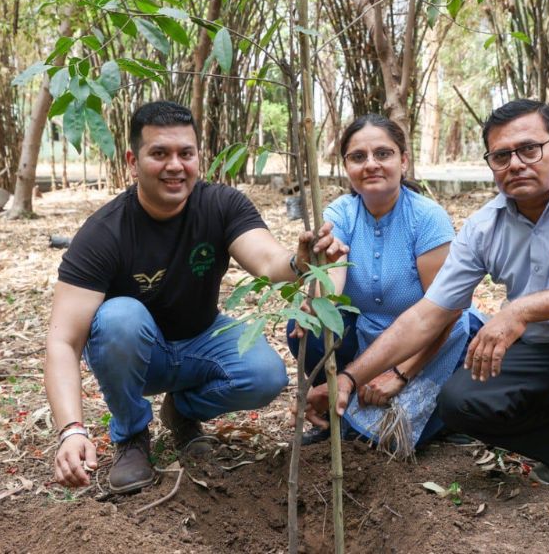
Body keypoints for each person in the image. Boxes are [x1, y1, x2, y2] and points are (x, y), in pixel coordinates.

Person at [317, 99, 549, 537]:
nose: (516, 164)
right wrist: (350, 379)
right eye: (501, 156)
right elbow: (428, 315)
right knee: (459, 401)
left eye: (530, 149)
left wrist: (522, 308)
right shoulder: (485, 225)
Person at [45, 101, 347, 494]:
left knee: (266, 375)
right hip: (137, 354)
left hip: (201, 340)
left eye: (185, 153)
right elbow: (62, 340)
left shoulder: (221, 204)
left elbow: (269, 260)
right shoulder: (105, 232)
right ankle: (132, 435)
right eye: (160, 154)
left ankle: (182, 411)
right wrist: (71, 429)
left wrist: (298, 261)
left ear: (197, 157)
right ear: (133, 161)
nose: (175, 165)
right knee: (120, 317)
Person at [294, 114, 483, 455]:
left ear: (403, 161)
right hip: (368, 336)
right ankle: (334, 412)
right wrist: (319, 300)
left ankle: (445, 417)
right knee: (306, 324)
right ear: (346, 166)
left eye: (383, 154)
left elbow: (448, 312)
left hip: (434, 339)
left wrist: (400, 374)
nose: (371, 165)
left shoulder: (427, 218)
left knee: (384, 441)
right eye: (358, 157)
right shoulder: (342, 212)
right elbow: (333, 282)